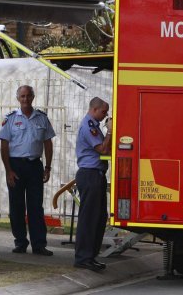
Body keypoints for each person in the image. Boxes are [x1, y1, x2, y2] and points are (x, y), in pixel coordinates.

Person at [0, 85, 56, 256]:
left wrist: (48, 167)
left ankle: (39, 245)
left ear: (33, 97)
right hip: (15, 166)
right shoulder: (10, 118)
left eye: (28, 96)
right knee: (16, 206)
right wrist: (8, 170)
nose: (25, 99)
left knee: (36, 207)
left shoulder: (42, 118)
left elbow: (48, 144)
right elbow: (4, 145)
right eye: (22, 96)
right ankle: (20, 242)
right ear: (18, 98)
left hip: (34, 165)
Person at [73, 97, 113, 272]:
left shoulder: (95, 126)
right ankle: (83, 257)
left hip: (97, 175)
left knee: (98, 218)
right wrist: (110, 132)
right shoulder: (89, 126)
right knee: (89, 218)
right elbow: (103, 149)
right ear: (95, 109)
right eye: (104, 112)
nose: (106, 115)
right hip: (89, 175)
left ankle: (91, 256)